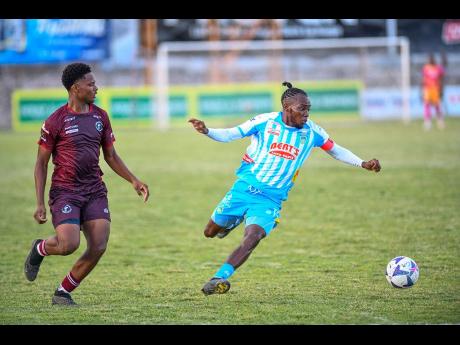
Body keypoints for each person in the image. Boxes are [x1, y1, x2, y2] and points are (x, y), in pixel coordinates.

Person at [189, 81, 381, 295]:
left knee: (253, 238)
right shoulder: (265, 122)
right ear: (287, 108)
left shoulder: (313, 132)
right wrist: (207, 130)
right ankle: (229, 224)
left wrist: (362, 163)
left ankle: (219, 278)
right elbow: (231, 134)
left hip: (270, 200)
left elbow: (336, 150)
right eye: (302, 109)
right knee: (209, 232)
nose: (307, 113)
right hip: (243, 189)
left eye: (308, 108)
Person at [24, 62, 150, 306]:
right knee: (68, 244)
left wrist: (133, 180)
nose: (96, 88)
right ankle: (40, 248)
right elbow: (41, 163)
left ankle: (63, 292)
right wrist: (39, 202)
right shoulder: (55, 121)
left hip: (94, 190)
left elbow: (110, 155)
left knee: (99, 245)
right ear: (75, 87)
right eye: (91, 84)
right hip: (65, 192)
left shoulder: (100, 116)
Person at [421, 53, 445, 130]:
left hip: (436, 89)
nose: (430, 60)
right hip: (427, 89)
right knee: (427, 105)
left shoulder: (438, 68)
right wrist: (422, 89)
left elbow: (441, 78)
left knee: (437, 105)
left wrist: (441, 89)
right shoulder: (426, 68)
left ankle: (440, 121)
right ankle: (428, 122)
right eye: (429, 59)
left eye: (431, 59)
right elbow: (423, 79)